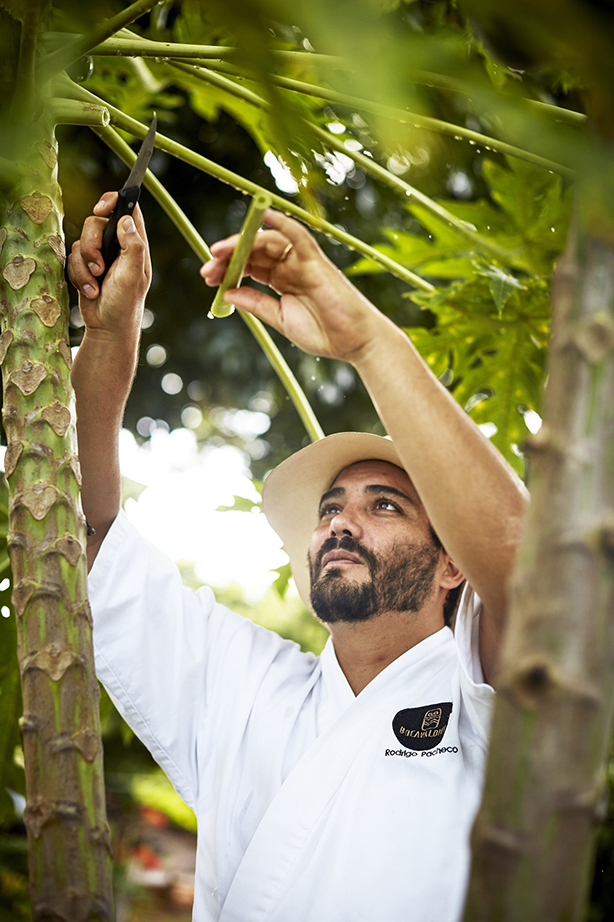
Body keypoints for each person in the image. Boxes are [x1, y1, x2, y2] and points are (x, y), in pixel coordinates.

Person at [68, 193, 528, 922]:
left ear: (452, 565)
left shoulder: (485, 704)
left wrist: (369, 343)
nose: (342, 522)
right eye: (330, 508)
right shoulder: (244, 687)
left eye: (385, 505)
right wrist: (109, 334)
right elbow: (89, 535)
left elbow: (530, 580)